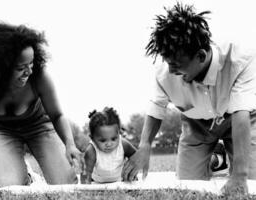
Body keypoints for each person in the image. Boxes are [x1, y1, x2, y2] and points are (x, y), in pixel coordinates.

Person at [122, 2, 256, 194]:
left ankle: (230, 159)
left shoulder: (241, 59)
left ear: (201, 56)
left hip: (237, 121)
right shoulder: (165, 72)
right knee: (189, 187)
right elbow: (156, 108)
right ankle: (216, 159)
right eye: (167, 62)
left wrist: (240, 176)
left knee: (251, 185)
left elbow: (241, 113)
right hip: (196, 124)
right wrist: (144, 146)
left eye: (176, 64)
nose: (170, 70)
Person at [0, 22, 83, 190]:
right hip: (0, 130)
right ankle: (29, 177)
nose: (29, 71)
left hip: (40, 126)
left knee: (65, 184)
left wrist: (70, 143)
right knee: (11, 187)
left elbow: (57, 115)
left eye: (31, 64)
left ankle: (36, 177)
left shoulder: (39, 77)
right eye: (21, 67)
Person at [81, 107, 136, 184]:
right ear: (92, 138)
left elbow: (136, 157)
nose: (109, 144)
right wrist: (86, 189)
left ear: (119, 133)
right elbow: (86, 173)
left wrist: (132, 172)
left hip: (120, 180)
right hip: (98, 182)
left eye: (113, 139)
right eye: (103, 140)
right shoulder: (91, 151)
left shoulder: (123, 144)